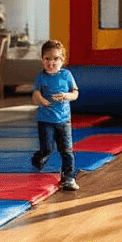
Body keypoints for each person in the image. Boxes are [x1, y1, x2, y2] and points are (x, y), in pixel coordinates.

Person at [31, 39, 81, 191]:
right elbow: (35, 94)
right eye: (47, 59)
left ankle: (68, 177)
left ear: (62, 60)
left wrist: (66, 96)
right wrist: (41, 100)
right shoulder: (41, 77)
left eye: (55, 59)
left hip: (64, 120)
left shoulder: (66, 75)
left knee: (66, 150)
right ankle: (38, 158)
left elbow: (75, 93)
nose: (51, 63)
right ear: (42, 60)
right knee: (47, 148)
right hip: (45, 120)